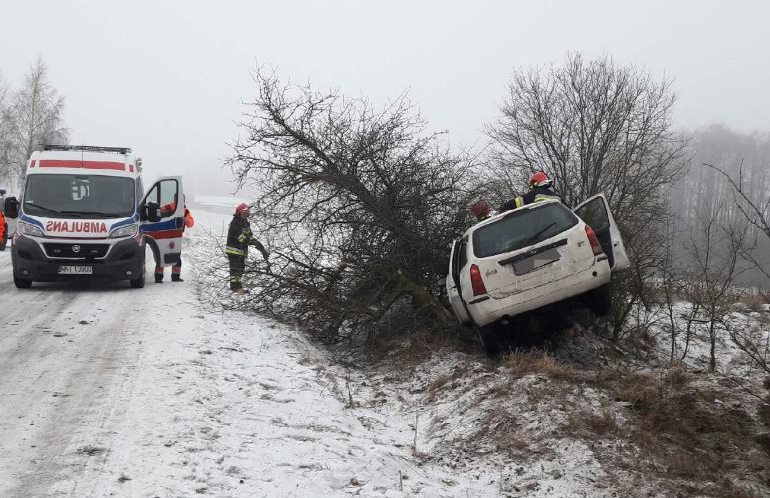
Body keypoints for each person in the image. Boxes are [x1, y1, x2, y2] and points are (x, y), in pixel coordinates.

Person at [226, 202, 269, 293]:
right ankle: (234, 287)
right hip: (234, 251)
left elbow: (250, 236)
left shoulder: (245, 223)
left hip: (242, 251)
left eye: (246, 213)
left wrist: (259, 245)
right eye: (243, 213)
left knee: (241, 269)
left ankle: (239, 287)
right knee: (235, 269)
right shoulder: (235, 223)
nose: (245, 215)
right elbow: (241, 238)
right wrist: (251, 242)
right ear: (239, 213)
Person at [154, 194, 195, 283]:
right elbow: (190, 223)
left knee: (162, 256)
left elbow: (191, 223)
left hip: (168, 235)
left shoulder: (178, 209)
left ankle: (159, 277)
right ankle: (174, 277)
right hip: (173, 236)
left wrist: (184, 219)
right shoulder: (181, 209)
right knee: (174, 257)